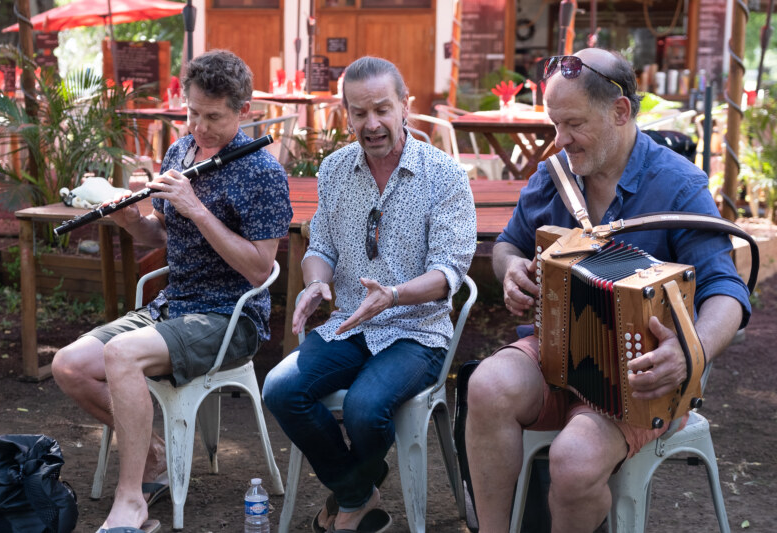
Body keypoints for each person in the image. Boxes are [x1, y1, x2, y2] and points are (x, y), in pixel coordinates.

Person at [465, 48, 751, 533]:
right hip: (556, 352)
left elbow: (727, 290)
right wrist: (512, 270)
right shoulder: (554, 177)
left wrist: (689, 350)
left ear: (620, 111)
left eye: (573, 124)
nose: (560, 140)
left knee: (573, 460)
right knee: (487, 385)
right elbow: (508, 246)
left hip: (645, 376)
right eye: (555, 124)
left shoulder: (679, 186)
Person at [51, 50, 292, 533]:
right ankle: (156, 455)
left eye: (214, 117)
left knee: (121, 355)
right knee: (68, 366)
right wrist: (130, 219)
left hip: (231, 317)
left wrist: (198, 208)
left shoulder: (263, 173)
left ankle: (132, 503)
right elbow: (160, 235)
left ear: (243, 111)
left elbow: (259, 268)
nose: (200, 127)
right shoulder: (181, 151)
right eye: (193, 113)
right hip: (174, 306)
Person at [262, 56, 476, 533]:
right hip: (351, 324)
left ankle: (350, 493)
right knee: (280, 389)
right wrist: (317, 281)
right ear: (346, 114)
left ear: (406, 106)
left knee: (363, 407)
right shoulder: (336, 169)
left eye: (382, 109)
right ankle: (359, 491)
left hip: (419, 331)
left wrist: (394, 295)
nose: (372, 123)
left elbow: (449, 273)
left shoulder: (444, 175)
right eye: (359, 113)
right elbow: (320, 246)